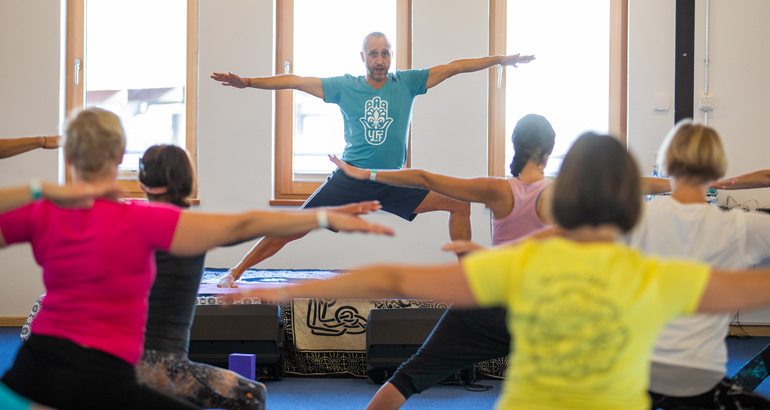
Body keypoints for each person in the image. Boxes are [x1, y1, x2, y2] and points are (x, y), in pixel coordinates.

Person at [232, 131, 770, 410]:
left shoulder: (526, 258)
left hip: (488, 308)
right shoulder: (645, 275)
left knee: (409, 377)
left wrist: (281, 292)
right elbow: (740, 288)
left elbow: (393, 280)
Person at [0, 107, 393, 410]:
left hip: (36, 361)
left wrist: (37, 190)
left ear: (68, 155)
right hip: (104, 373)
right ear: (120, 155)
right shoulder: (144, 219)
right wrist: (321, 214)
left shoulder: (43, 211)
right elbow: (240, 224)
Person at [331, 114, 669, 410]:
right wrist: (689, 185)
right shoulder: (557, 193)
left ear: (516, 146)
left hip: (483, 301)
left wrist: (364, 174)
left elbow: (423, 177)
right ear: (549, 150)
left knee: (409, 376)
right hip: (534, 309)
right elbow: (630, 185)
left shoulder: (496, 190)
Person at [212, 31, 535, 286]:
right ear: (363, 57)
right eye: (373, 54)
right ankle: (236, 271)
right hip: (352, 177)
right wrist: (249, 83)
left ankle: (469, 279)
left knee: (458, 202)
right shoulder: (344, 87)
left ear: (390, 56)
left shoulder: (407, 83)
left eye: (385, 53)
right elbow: (295, 81)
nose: (380, 60)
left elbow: (455, 67)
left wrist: (500, 60)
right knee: (296, 225)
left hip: (392, 180)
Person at [134, 144, 379, 410]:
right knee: (252, 395)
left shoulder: (123, 221)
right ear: (188, 182)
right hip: (164, 368)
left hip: (113, 360)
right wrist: (323, 215)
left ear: (142, 181)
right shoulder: (194, 228)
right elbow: (249, 224)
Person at [625, 121, 770, 410]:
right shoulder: (739, 226)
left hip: (638, 373)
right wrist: (725, 181)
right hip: (700, 378)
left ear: (666, 165)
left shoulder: (636, 220)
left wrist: (677, 181)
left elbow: (616, 185)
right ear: (717, 170)